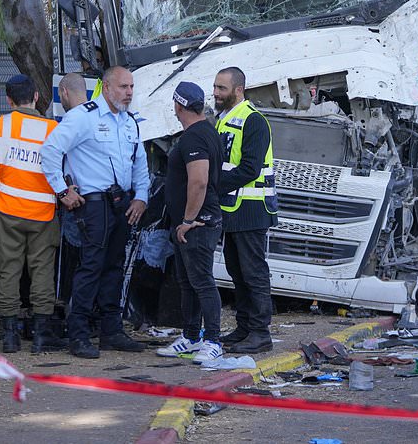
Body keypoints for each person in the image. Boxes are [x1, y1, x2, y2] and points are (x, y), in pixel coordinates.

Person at [40, 67, 150, 359]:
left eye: (132, 87)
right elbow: (50, 151)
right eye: (124, 86)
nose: (129, 92)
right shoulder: (83, 117)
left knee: (115, 265)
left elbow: (139, 161)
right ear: (106, 87)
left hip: (123, 202)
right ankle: (78, 334)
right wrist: (63, 191)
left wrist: (141, 196)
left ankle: (111, 330)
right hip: (94, 202)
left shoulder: (129, 122)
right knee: (92, 265)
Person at [0, 75, 64, 354]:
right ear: (36, 96)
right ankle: (40, 336)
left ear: (8, 100)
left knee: (8, 271)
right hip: (43, 214)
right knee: (42, 272)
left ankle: (10, 337)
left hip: (7, 212)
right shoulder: (53, 128)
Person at [155, 82, 225, 364]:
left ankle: (213, 340)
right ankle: (192, 336)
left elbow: (199, 181)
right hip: (191, 222)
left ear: (178, 106)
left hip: (197, 223)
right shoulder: (206, 130)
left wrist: (188, 220)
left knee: (202, 282)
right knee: (188, 282)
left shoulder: (195, 137)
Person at [213, 67, 279, 354]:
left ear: (238, 90)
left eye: (221, 88)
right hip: (232, 209)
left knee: (253, 273)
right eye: (215, 87)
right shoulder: (225, 119)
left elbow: (250, 169)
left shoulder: (254, 120)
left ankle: (260, 332)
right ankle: (244, 327)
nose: (215, 93)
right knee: (236, 272)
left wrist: (211, 186)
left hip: (252, 209)